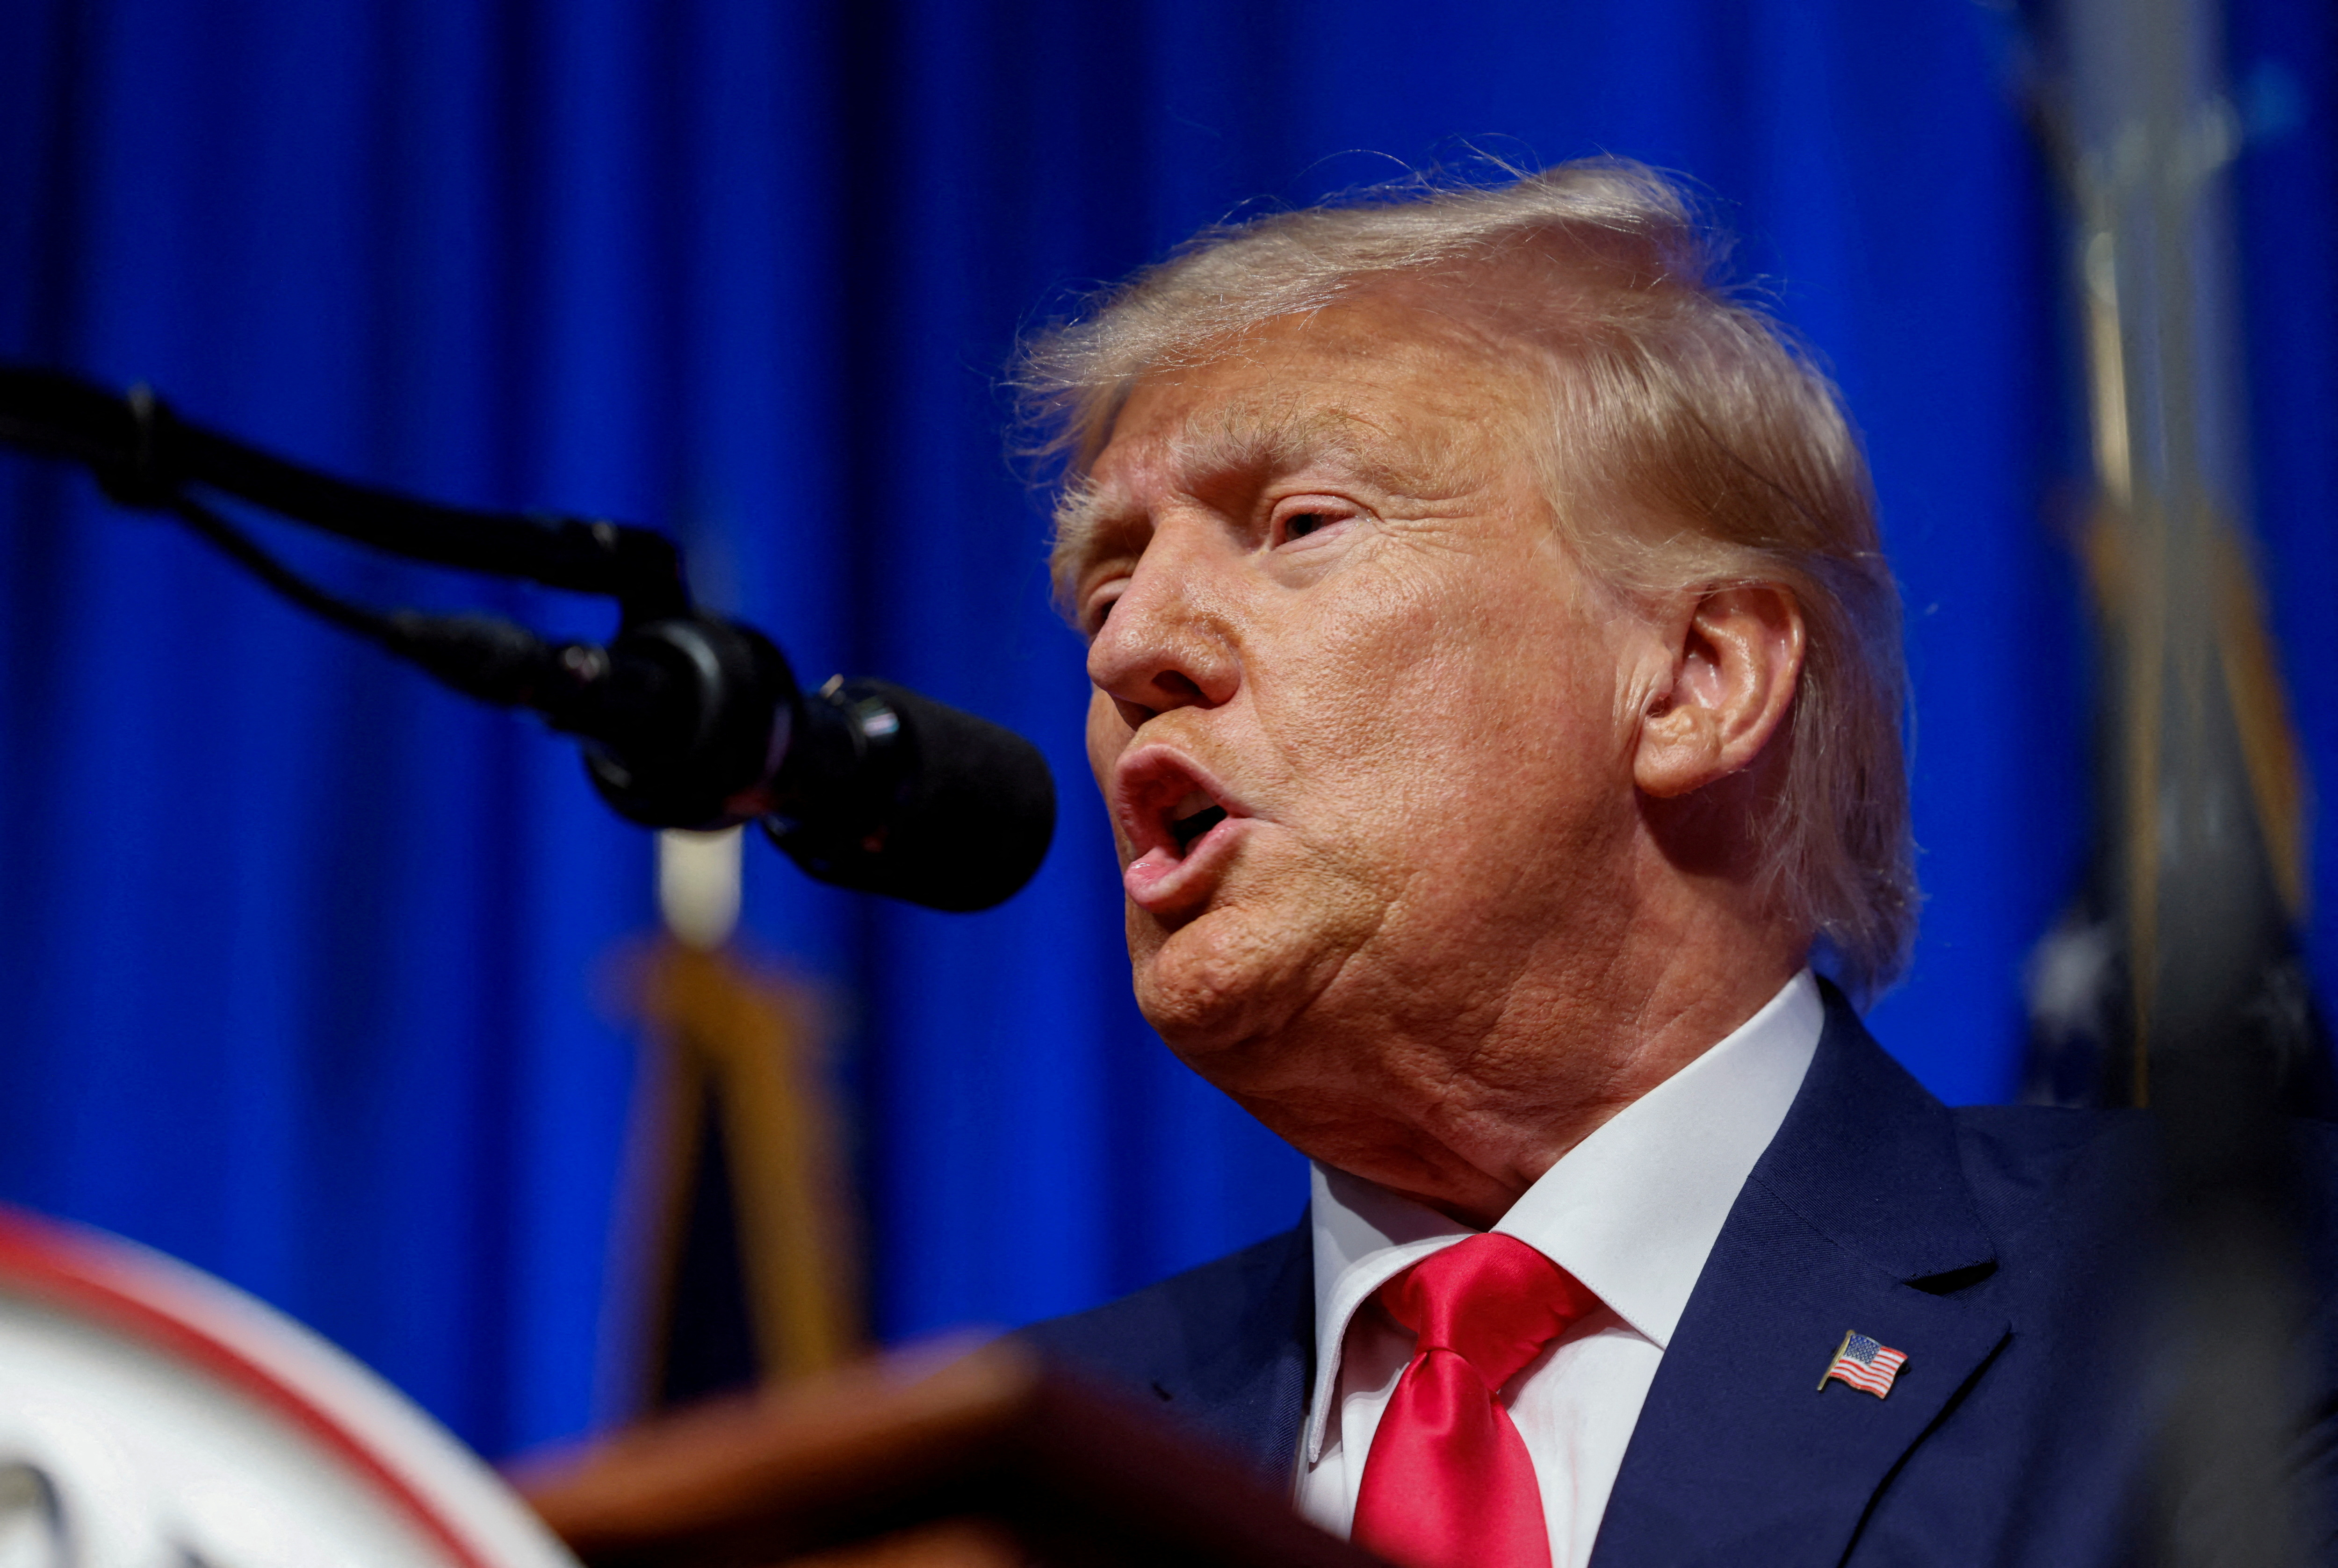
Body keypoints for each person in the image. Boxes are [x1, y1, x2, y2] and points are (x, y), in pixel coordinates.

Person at [1009, 160, 2316, 1568]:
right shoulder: (1014, 1482)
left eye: (1300, 524)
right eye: (1107, 580)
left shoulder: (2225, 1301)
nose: (1130, 647)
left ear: (1698, 677)